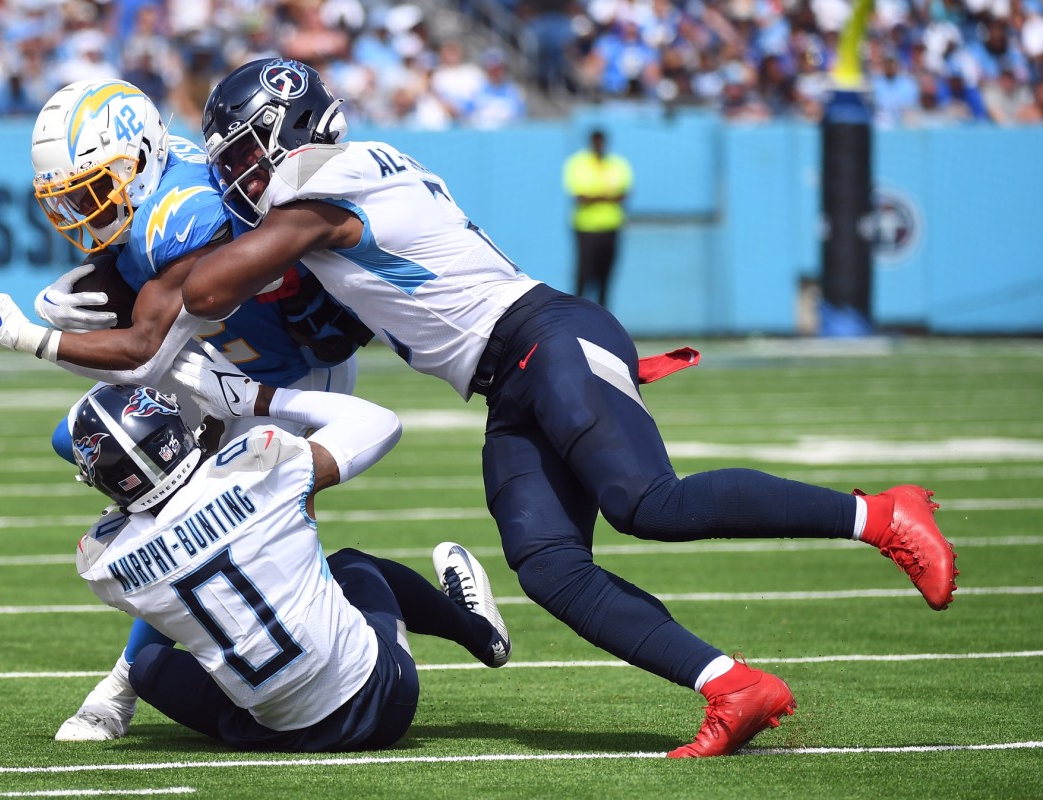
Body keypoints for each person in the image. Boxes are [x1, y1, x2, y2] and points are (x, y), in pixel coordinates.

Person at [180, 57, 960, 759]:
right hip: (509, 374)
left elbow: (210, 289)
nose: (242, 176)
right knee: (549, 566)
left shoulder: (328, 181)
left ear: (294, 129)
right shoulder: (338, 184)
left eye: (249, 153)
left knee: (649, 502)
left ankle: (883, 515)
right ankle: (732, 685)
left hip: (542, 338)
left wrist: (155, 273)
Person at [0, 78, 372, 743]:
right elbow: (143, 308)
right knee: (83, 441)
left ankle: (123, 682)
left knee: (197, 514)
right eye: (72, 198)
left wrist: (29, 337)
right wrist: (103, 292)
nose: (84, 216)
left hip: (286, 374)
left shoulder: (182, 215)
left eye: (95, 192)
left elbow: (141, 357)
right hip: (216, 366)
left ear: (141, 158)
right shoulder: (152, 191)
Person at [67, 370, 511, 751]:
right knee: (351, 564)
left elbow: (169, 533)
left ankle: (257, 720)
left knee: (145, 667)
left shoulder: (103, 565)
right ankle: (481, 634)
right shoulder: (261, 467)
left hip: (275, 732)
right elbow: (380, 422)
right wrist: (254, 397)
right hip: (383, 703)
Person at [561, 129, 633, 308]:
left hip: (611, 226)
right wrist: (607, 196)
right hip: (586, 228)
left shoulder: (617, 164)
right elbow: (581, 197)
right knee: (584, 274)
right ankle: (577, 314)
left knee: (606, 276)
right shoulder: (577, 163)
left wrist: (596, 195)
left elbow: (623, 195)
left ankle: (603, 316)